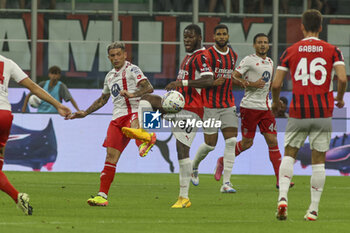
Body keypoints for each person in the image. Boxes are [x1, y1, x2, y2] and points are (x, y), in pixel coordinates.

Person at [122, 24, 217, 208]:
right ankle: (147, 135)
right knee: (147, 100)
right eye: (185, 37)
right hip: (177, 106)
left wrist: (181, 82)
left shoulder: (201, 57)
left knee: (182, 151)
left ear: (199, 37)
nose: (186, 40)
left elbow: (209, 80)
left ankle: (184, 197)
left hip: (191, 111)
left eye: (190, 37)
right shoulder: (189, 57)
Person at [272, 9, 347, 221]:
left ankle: (283, 198)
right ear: (321, 27)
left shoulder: (290, 51)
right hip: (323, 111)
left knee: (289, 154)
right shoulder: (333, 50)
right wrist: (340, 98)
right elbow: (342, 79)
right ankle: (313, 210)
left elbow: (276, 83)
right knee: (318, 161)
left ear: (302, 27)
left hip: (298, 112)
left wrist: (276, 103)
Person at [67, 42, 154, 206]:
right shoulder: (109, 76)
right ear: (109, 57)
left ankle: (146, 140)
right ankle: (102, 196)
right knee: (110, 157)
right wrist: (85, 113)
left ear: (125, 55)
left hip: (134, 110)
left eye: (118, 54)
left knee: (133, 128)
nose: (115, 58)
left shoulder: (132, 69)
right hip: (116, 119)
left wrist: (133, 93)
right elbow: (103, 99)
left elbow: (149, 87)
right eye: (112, 56)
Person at [214, 33, 290, 189]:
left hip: (265, 108)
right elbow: (233, 78)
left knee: (273, 141)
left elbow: (269, 84)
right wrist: (250, 84)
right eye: (259, 42)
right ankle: (222, 160)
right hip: (249, 107)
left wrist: (273, 101)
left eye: (265, 42)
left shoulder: (270, 61)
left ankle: (280, 179)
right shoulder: (248, 60)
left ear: (268, 45)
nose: (263, 45)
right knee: (248, 143)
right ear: (254, 45)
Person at [0, 54, 71, 215]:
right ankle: (18, 198)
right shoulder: (8, 62)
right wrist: (58, 105)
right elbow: (32, 86)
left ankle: (17, 196)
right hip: (5, 115)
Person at [190, 24, 245, 193]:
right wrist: (213, 83)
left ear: (228, 36)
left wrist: (243, 82)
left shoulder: (233, 55)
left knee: (231, 142)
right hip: (211, 106)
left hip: (228, 105)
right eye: (219, 34)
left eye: (224, 34)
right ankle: (194, 166)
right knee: (210, 145)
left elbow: (229, 77)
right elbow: (203, 79)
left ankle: (226, 183)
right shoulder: (207, 55)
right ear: (213, 37)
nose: (222, 36)